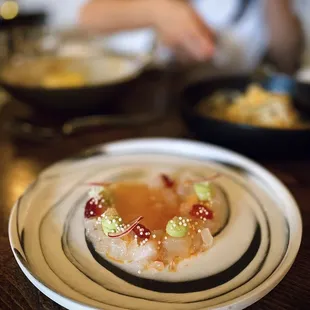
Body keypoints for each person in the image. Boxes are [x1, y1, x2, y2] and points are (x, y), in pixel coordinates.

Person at [78, 0, 303, 75]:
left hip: (222, 107)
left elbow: (287, 59)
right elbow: (89, 16)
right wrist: (159, 11)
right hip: (138, 105)